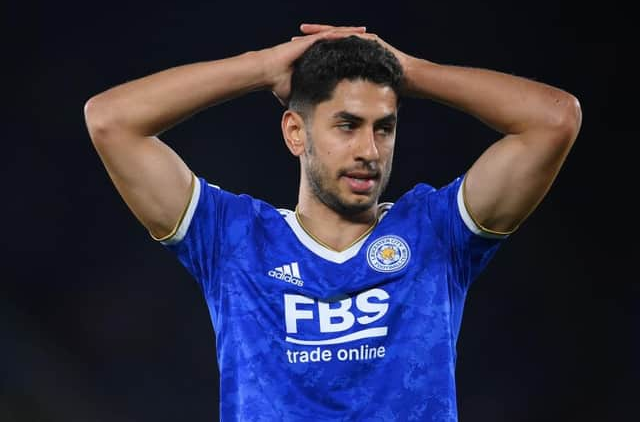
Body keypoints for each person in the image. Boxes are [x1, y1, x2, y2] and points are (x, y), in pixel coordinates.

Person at [84, 24, 581, 421]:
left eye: (383, 128)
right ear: (295, 133)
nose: (369, 151)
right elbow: (111, 119)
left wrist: (410, 71)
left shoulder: (436, 233)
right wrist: (261, 67)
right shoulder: (234, 241)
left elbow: (554, 119)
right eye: (347, 125)